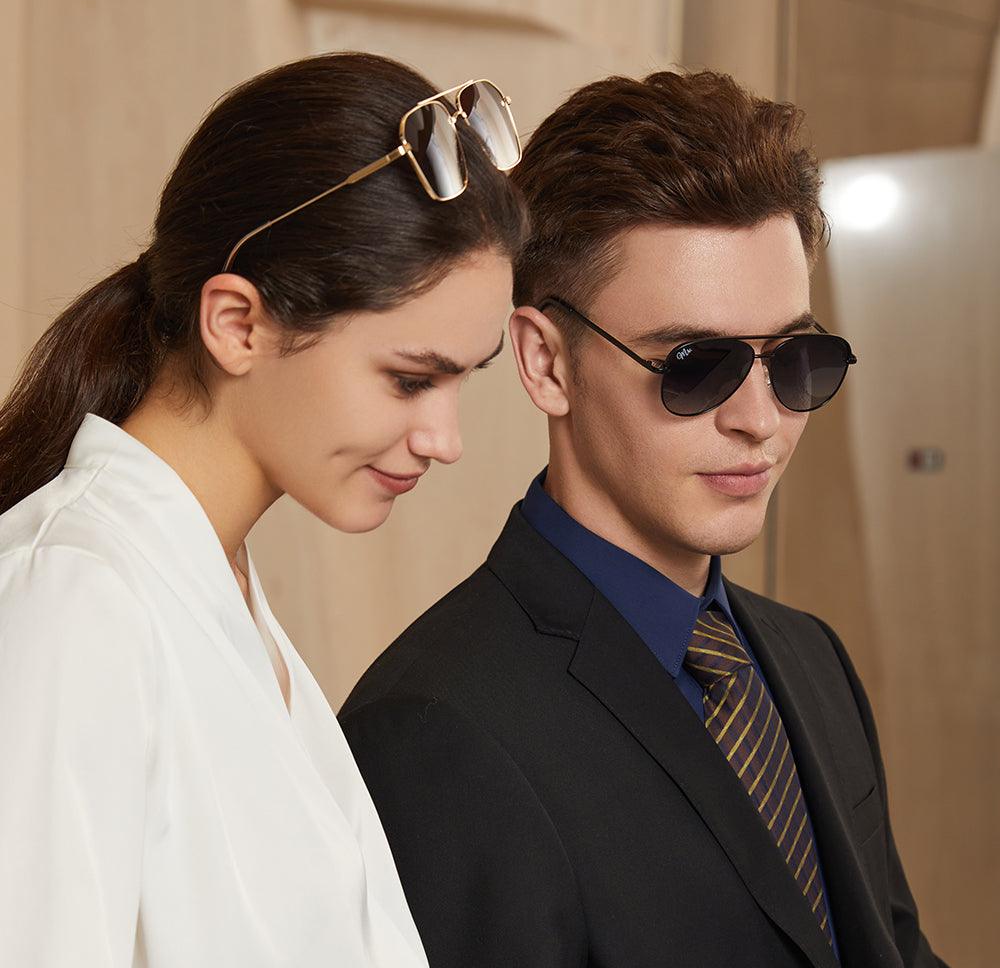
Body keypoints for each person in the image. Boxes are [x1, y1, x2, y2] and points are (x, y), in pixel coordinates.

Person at [341, 70, 947, 967]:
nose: (761, 420)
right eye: (695, 365)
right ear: (546, 363)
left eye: (795, 359)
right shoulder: (436, 731)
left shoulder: (811, 659)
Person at [0, 52, 525, 967]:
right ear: (237, 324)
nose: (445, 438)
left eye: (462, 382)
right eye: (411, 379)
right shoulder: (77, 598)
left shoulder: (215, 589)